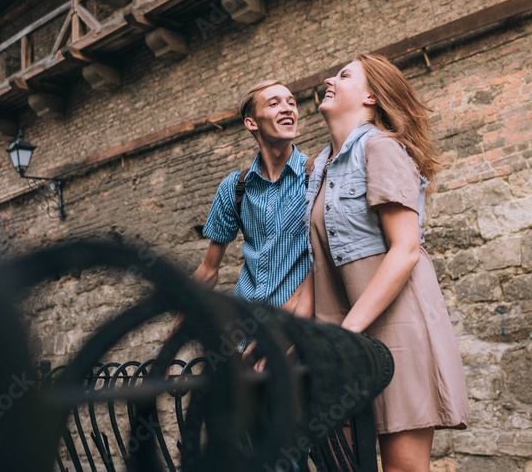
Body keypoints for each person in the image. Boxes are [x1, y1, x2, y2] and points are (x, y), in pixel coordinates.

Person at [305, 53, 468, 472]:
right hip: (337, 334)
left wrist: (347, 333)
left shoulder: (382, 148)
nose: (329, 77)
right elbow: (314, 265)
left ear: (372, 96)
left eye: (344, 75)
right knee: (339, 465)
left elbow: (406, 249)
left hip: (396, 327)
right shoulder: (317, 167)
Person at [172, 80, 314, 342]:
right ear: (252, 123)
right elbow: (208, 270)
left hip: (296, 332)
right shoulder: (234, 188)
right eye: (274, 103)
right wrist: (172, 341)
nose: (287, 109)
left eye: (291, 103)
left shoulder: (316, 176)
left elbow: (325, 264)